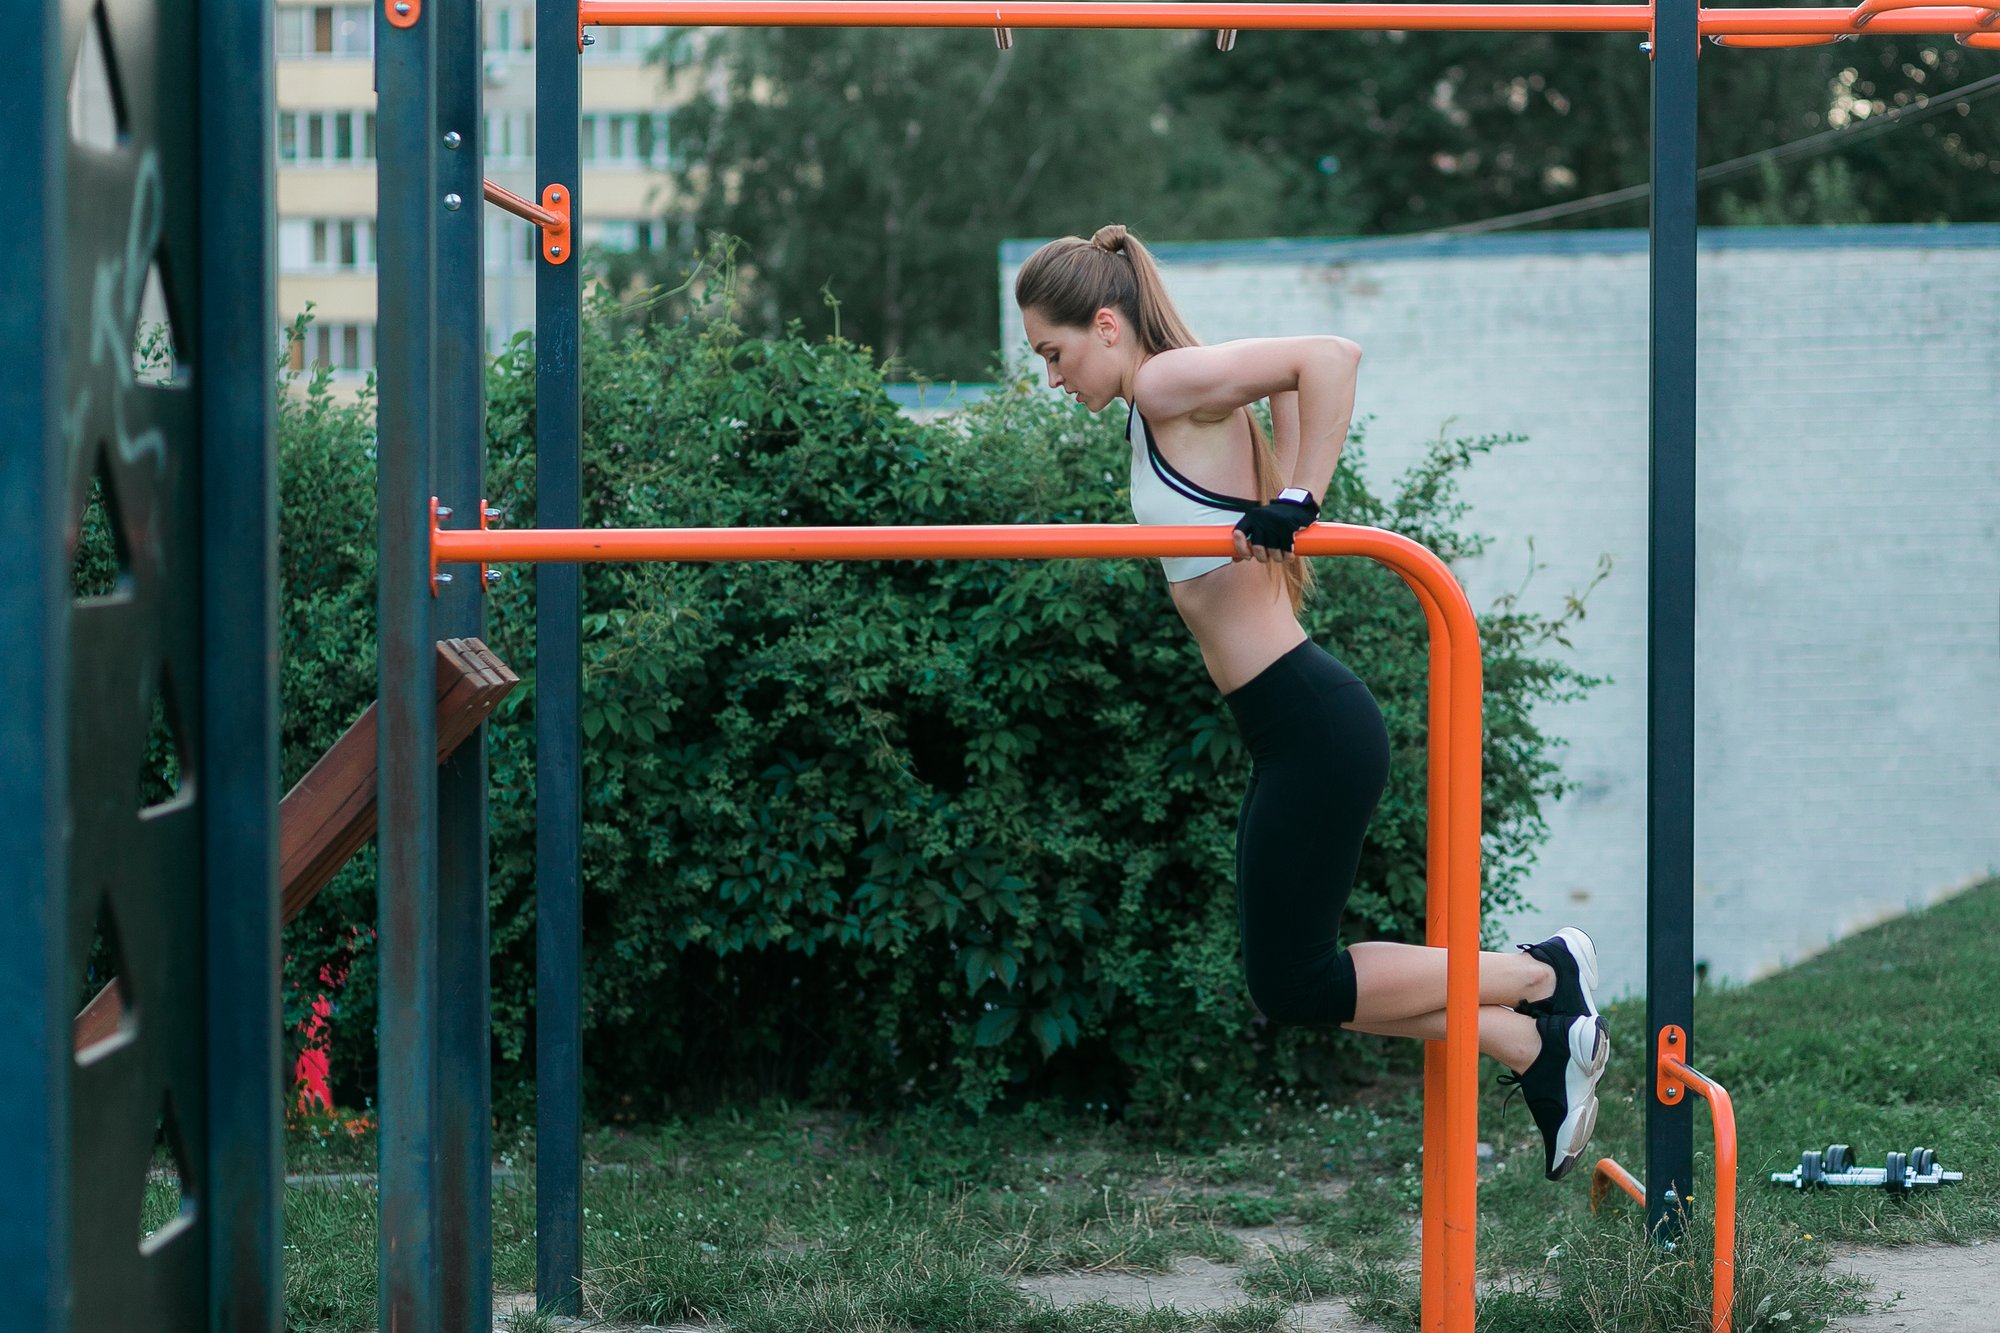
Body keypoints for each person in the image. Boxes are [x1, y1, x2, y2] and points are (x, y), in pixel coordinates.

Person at [1012, 224, 1610, 1181]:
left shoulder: (1164, 384)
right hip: (1296, 725)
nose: (1051, 376)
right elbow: (1290, 379)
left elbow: (1327, 359)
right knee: (1292, 978)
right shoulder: (1163, 396)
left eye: (1054, 351)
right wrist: (1286, 498)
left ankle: (1543, 975)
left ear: (1108, 324)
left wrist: (1300, 498)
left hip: (1309, 723)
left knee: (1294, 978)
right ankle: (1534, 1047)